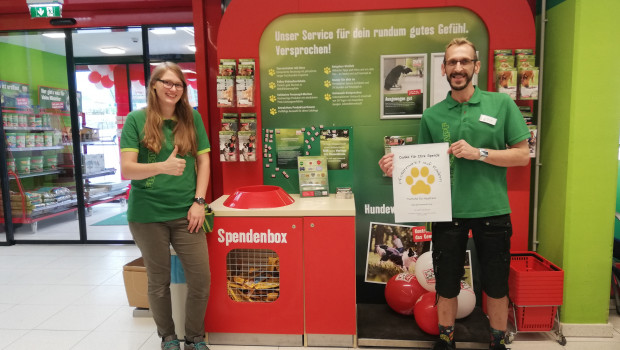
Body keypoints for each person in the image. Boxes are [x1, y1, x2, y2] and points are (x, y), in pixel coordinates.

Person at [378, 38, 530, 350]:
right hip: (447, 212)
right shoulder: (432, 116)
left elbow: (522, 155)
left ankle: (498, 342)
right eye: (451, 62)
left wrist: (480, 153)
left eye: (464, 61)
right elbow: (420, 164)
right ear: (444, 69)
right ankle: (446, 341)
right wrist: (395, 166)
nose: (457, 68)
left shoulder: (501, 105)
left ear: (476, 66)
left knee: (497, 285)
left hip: (493, 211)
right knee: (445, 284)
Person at [120, 62, 212, 350]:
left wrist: (199, 202)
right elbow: (127, 170)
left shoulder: (191, 119)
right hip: (147, 215)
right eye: (167, 83)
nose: (173, 89)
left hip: (187, 213)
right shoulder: (136, 120)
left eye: (179, 84)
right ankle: (168, 338)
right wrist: (163, 166)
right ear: (154, 86)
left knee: (201, 279)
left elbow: (204, 160)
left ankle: (194, 338)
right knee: (158, 281)